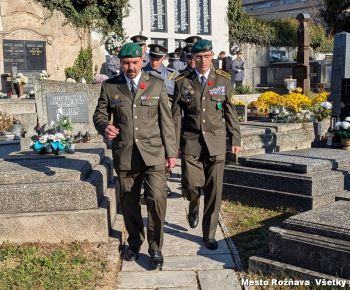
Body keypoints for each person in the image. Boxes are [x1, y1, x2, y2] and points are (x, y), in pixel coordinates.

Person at [93, 43, 177, 268]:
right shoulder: (111, 87)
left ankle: (156, 246)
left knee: (157, 200)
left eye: (135, 62)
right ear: (120, 63)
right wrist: (104, 127)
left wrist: (171, 152)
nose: (130, 67)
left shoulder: (156, 85)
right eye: (126, 63)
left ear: (142, 61)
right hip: (126, 155)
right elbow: (99, 114)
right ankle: (135, 241)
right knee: (129, 203)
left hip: (154, 154)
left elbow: (166, 121)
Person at [172, 39, 241, 250]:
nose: (203, 60)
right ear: (192, 58)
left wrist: (235, 139)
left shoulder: (223, 80)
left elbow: (230, 111)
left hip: (216, 141)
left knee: (214, 190)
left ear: (212, 56)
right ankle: (193, 205)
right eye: (198, 57)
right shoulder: (182, 81)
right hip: (191, 141)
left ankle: (209, 234)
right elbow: (175, 116)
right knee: (191, 184)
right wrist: (173, 145)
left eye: (207, 56)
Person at [144, 44, 179, 196]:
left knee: (164, 149)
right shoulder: (142, 71)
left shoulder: (171, 74)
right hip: (146, 117)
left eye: (158, 58)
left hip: (165, 116)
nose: (154, 61)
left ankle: (163, 183)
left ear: (163, 58)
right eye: (152, 57)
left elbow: (175, 93)